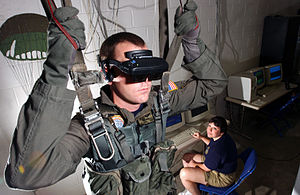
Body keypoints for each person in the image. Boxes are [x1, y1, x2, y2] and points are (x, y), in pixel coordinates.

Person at [4, 1, 227, 195]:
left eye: (149, 71)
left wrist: (191, 42)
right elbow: (24, 176)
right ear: (109, 73)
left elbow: (214, 84)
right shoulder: (88, 127)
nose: (146, 81)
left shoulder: (159, 102)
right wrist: (57, 69)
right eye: (136, 72)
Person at [179, 116, 238, 195]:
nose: (209, 130)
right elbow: (212, 144)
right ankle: (191, 185)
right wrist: (201, 137)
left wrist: (194, 164)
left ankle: (194, 191)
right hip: (218, 164)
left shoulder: (218, 150)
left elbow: (206, 168)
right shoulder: (222, 137)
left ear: (221, 132)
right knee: (186, 157)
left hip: (222, 177)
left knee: (183, 174)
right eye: (209, 126)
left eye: (214, 128)